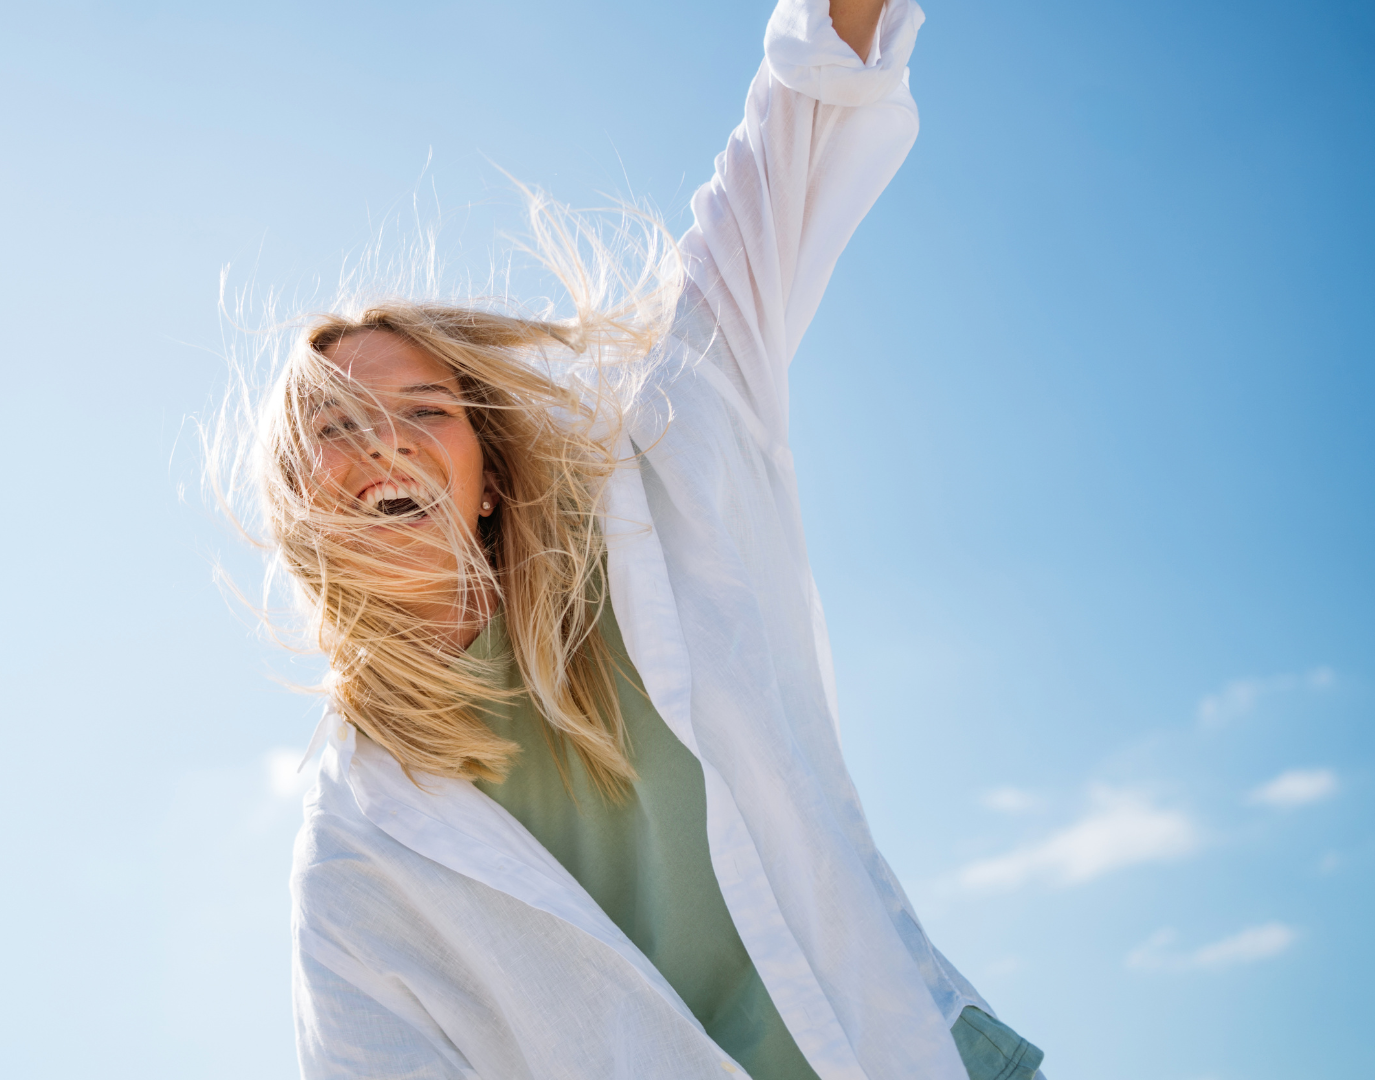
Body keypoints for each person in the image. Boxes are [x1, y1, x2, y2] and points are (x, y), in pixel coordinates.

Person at [231, 0, 1047, 1076]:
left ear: (485, 480)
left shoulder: (657, 502)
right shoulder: (356, 848)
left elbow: (792, 142)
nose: (386, 445)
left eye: (426, 411)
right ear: (304, 503)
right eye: (336, 428)